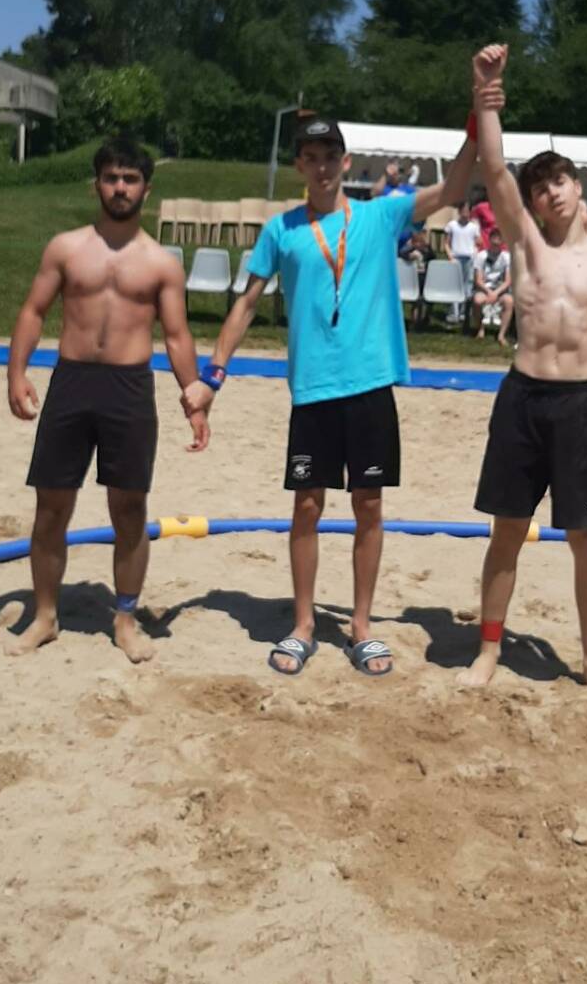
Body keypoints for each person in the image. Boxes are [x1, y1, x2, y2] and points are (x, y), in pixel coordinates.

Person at [181, 95, 484, 678]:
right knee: (307, 506)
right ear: (299, 164)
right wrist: (213, 376)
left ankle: (361, 627)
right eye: (311, 157)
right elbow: (246, 304)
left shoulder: (380, 215)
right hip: (313, 390)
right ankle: (303, 625)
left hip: (369, 386)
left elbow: (451, 190)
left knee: (369, 506)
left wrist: (476, 120)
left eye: (330, 156)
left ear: (346, 163)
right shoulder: (282, 230)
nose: (321, 166)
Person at [458, 44, 587, 701]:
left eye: (558, 181)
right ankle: (488, 649)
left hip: (581, 407)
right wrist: (486, 92)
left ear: (579, 187)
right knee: (506, 530)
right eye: (539, 188)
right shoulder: (525, 245)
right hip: (522, 400)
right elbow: (493, 166)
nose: (548, 192)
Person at [6, 136, 209, 661]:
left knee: (130, 508)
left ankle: (125, 617)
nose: (121, 188)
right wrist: (16, 372)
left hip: (129, 388)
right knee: (52, 505)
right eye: (112, 178)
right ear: (96, 184)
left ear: (146, 188)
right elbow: (33, 310)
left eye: (130, 179)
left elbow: (177, 336)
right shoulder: (66, 248)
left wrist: (193, 397)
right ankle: (45, 615)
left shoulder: (161, 263)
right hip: (72, 383)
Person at [472, 227, 513, 345]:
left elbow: (508, 281)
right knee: (477, 300)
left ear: (503, 241)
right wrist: (489, 292)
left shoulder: (507, 257)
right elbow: (478, 280)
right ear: (489, 240)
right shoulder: (481, 256)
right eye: (494, 238)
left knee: (509, 301)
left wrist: (496, 293)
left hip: (500, 290)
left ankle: (501, 334)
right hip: (484, 289)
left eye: (499, 238)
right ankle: (480, 329)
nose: (496, 241)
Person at [444, 199, 481, 327]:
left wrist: (474, 255)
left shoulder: (474, 227)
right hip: (456, 257)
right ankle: (453, 313)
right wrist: (450, 256)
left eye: (467, 210)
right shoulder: (452, 225)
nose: (465, 213)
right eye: (463, 210)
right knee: (454, 286)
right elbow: (446, 243)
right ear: (459, 211)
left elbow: (478, 243)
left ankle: (464, 313)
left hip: (469, 258)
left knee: (467, 285)